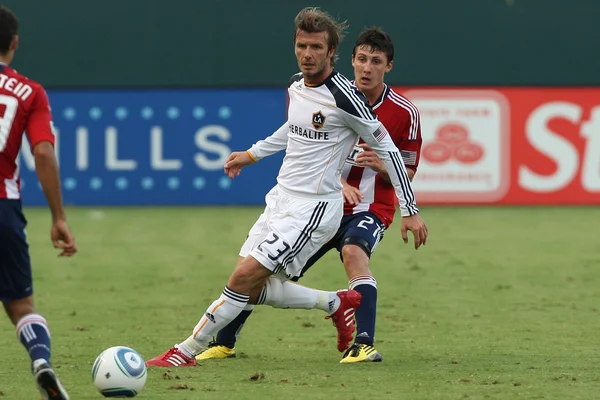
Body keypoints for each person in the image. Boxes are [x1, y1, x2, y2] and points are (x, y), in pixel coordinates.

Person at [146, 7, 427, 368]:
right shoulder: (297, 84)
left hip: (315, 208)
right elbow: (293, 127)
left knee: (244, 277)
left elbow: (388, 147)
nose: (307, 54)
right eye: (301, 46)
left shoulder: (347, 98)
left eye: (315, 48)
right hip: (281, 200)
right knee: (251, 283)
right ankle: (334, 302)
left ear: (331, 52)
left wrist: (411, 210)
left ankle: (184, 350)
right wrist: (252, 154)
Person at [0, 6, 77, 400]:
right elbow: (44, 154)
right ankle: (40, 360)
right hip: (4, 209)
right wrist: (58, 217)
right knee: (21, 304)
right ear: (14, 44)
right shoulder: (29, 92)